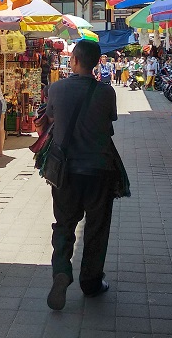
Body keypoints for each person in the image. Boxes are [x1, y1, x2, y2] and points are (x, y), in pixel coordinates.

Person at [45, 40, 124, 310]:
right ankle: (90, 282)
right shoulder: (106, 93)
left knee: (64, 223)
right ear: (96, 63)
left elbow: (52, 118)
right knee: (96, 227)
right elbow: (109, 122)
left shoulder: (56, 88)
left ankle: (61, 272)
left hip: (65, 169)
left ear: (74, 61)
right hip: (99, 169)